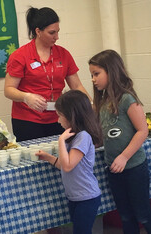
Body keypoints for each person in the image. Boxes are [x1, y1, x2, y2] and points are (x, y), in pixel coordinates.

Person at [89, 49, 151, 233]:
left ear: (111, 72)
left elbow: (142, 130)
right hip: (114, 169)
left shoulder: (127, 99)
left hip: (134, 168)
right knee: (125, 216)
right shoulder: (103, 100)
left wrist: (123, 157)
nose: (93, 79)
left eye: (96, 74)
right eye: (91, 75)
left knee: (143, 214)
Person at [4, 7, 91, 142]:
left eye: (57, 32)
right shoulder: (20, 56)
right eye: (52, 33)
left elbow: (77, 86)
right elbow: (8, 90)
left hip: (59, 117)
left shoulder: (63, 54)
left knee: (60, 155)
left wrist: (90, 104)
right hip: (28, 119)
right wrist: (26, 97)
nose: (57, 37)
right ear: (38, 31)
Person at [37, 90, 102, 234]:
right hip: (75, 197)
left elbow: (67, 166)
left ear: (72, 116)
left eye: (60, 115)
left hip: (87, 197)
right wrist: (48, 157)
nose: (58, 120)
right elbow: (63, 164)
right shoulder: (74, 137)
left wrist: (61, 140)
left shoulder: (83, 137)